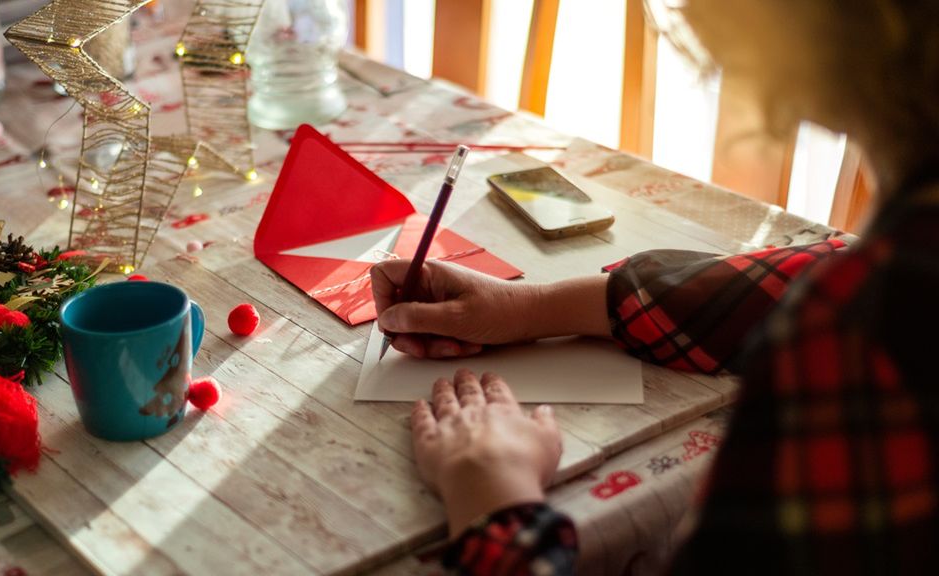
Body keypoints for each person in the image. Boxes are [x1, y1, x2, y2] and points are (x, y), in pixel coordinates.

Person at [369, 0, 939, 573]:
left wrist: (493, 496)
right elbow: (800, 276)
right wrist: (534, 307)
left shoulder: (860, 329)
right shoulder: (889, 270)